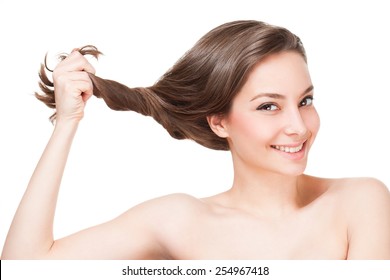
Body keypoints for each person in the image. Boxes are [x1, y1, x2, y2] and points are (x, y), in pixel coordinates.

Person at [2, 20, 390, 260]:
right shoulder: (179, 220)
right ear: (219, 121)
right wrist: (67, 121)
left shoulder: (360, 202)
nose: (299, 126)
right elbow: (25, 268)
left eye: (305, 101)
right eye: (269, 106)